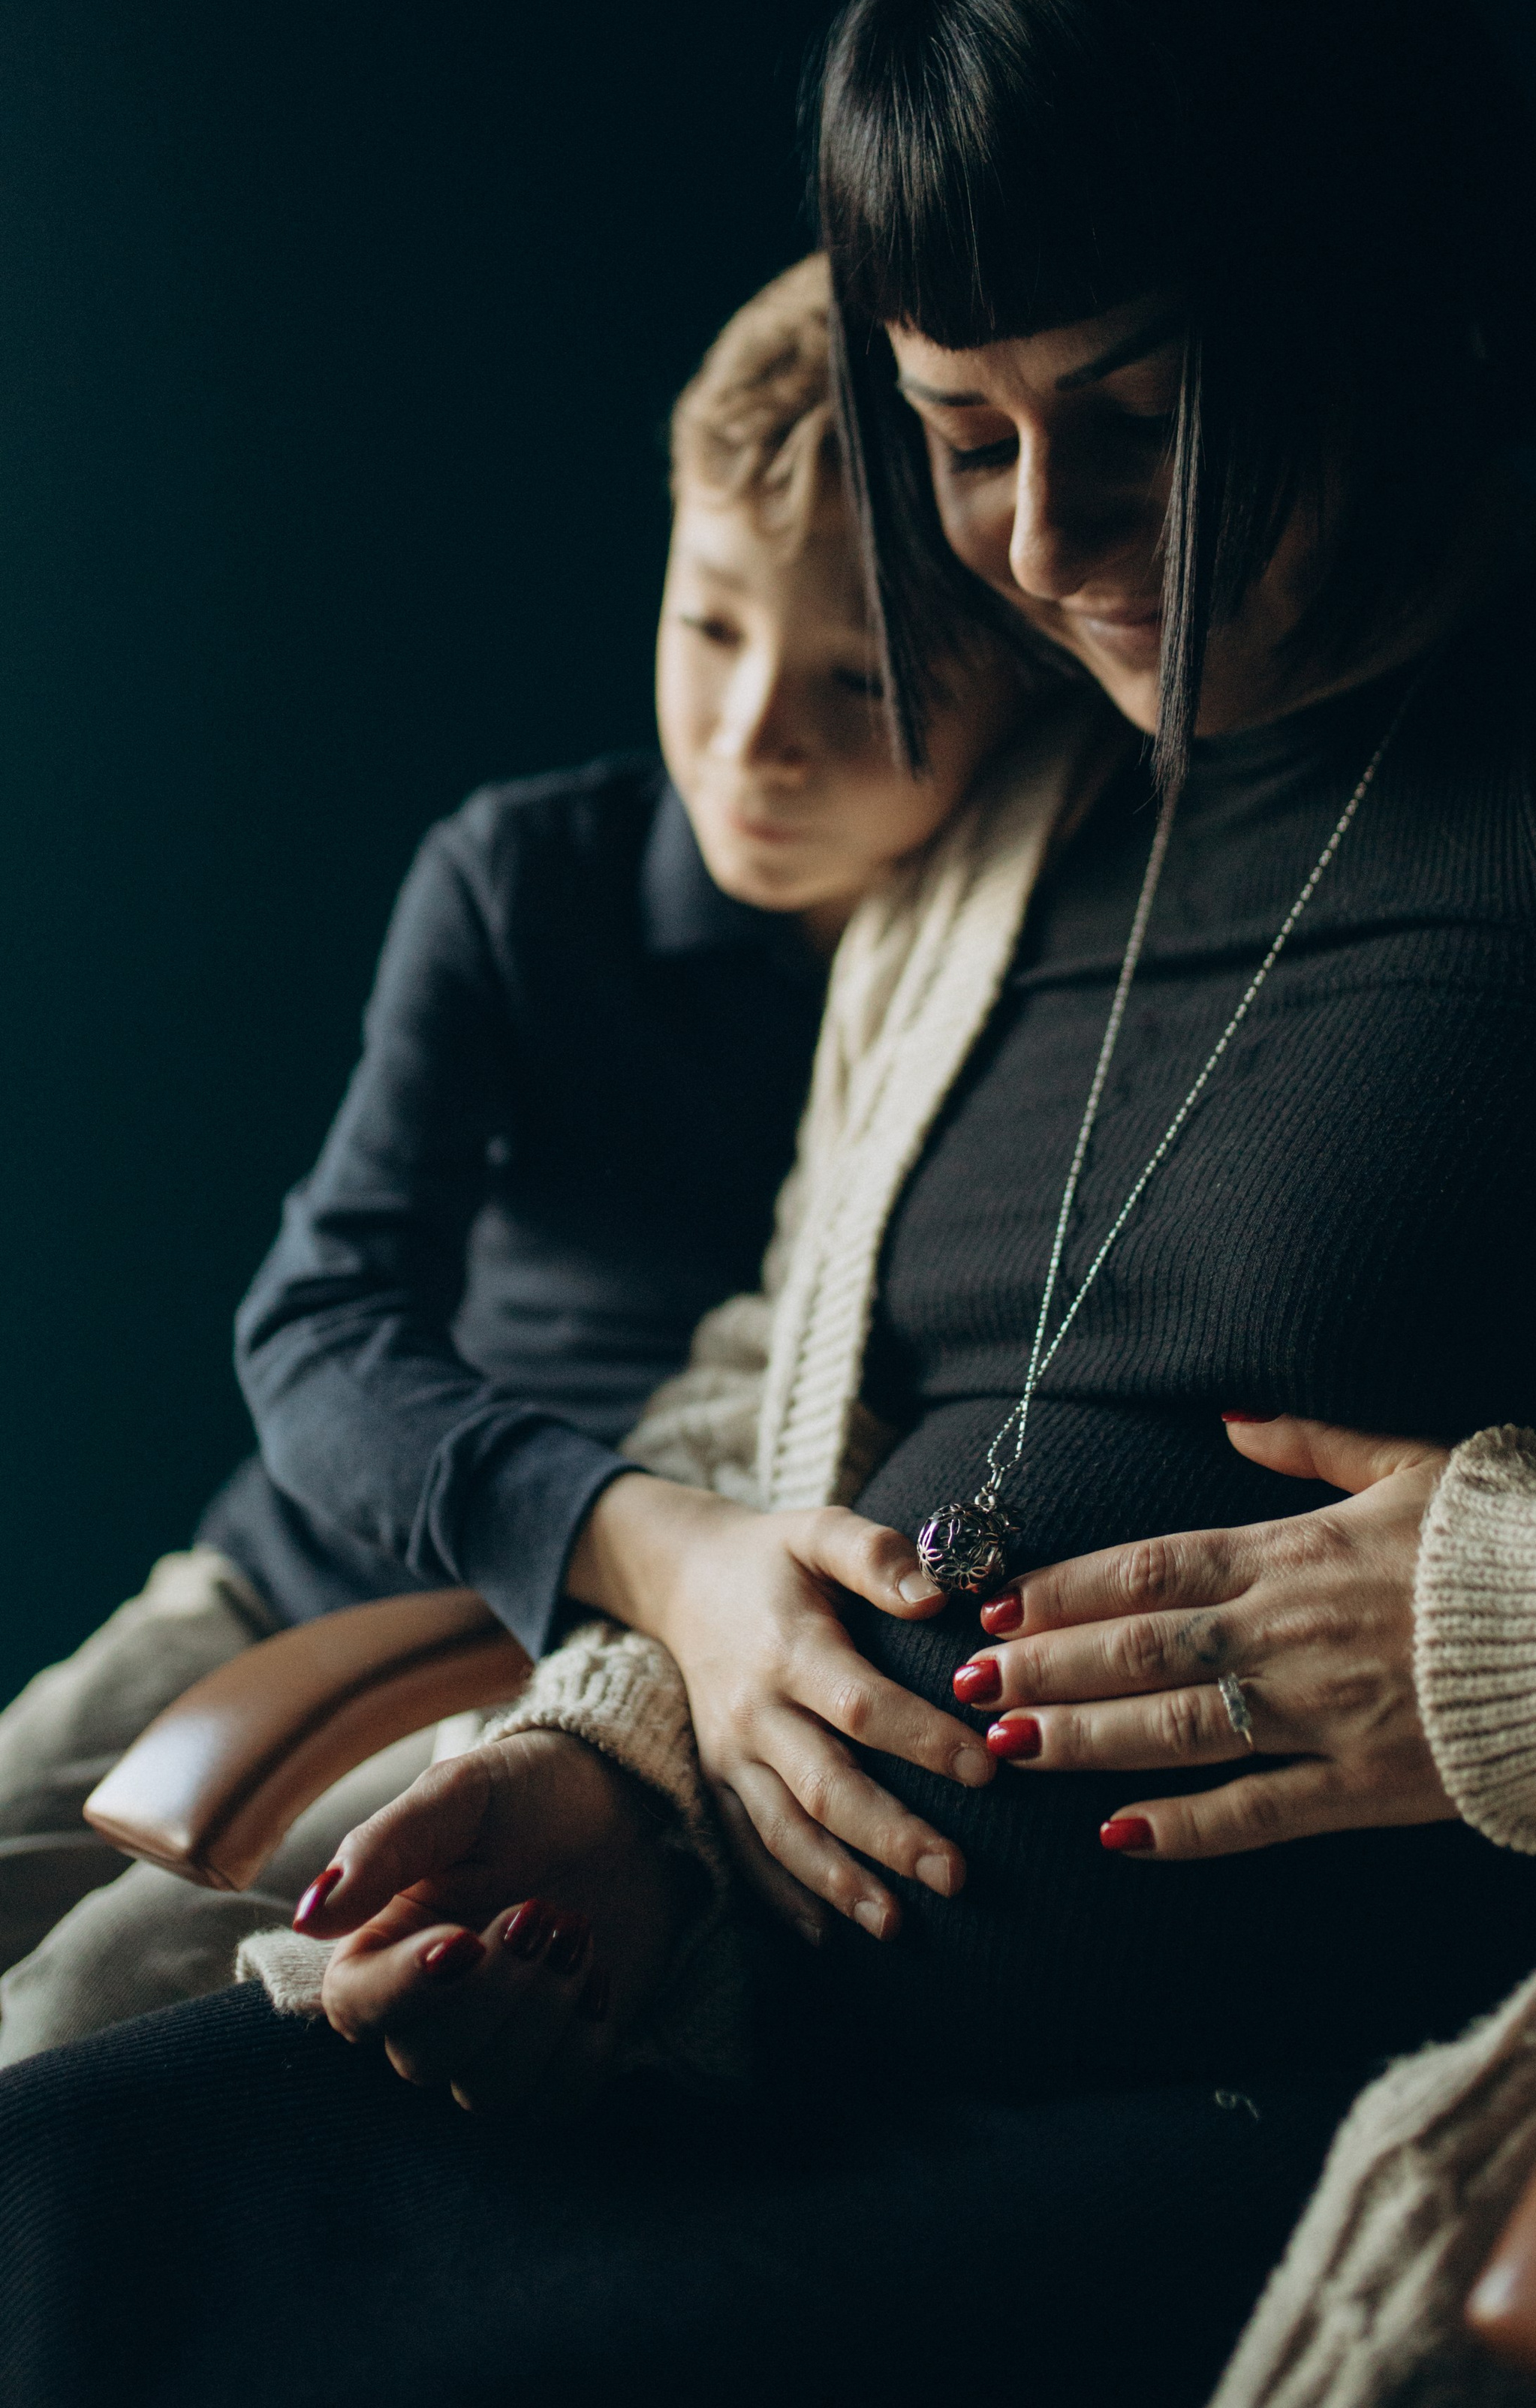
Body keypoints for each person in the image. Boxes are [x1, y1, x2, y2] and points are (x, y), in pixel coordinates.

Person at [6, 0, 1536, 2408]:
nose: (1045, 540)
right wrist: (632, 1770)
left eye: (1135, 417)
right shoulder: (987, 836)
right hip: (727, 2065)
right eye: (965, 434)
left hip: (1249, 2136)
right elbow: (766, 1390)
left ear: (1374, 284)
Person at [0, 253, 1021, 2069]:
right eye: (708, 627)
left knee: (91, 2013)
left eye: (858, 683)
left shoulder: (1009, 986)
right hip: (301, 1558)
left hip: (568, 1685)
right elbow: (315, 1330)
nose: (747, 734)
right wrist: (623, 1526)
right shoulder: (524, 879)